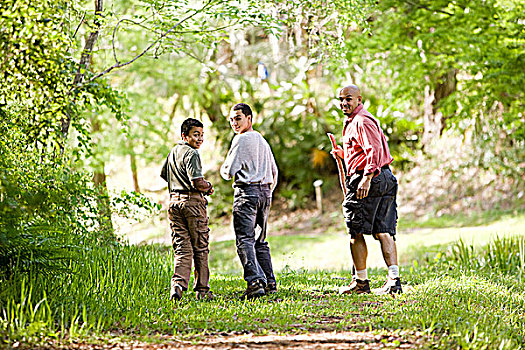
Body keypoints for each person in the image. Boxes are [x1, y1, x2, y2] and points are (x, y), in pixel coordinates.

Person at [331, 85, 403, 295]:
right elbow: (365, 152)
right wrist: (343, 155)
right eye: (341, 99)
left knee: (355, 230)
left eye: (349, 99)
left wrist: (367, 178)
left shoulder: (361, 120)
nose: (344, 103)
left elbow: (374, 150)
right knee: (383, 230)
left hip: (371, 179)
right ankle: (393, 280)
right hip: (383, 177)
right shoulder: (354, 121)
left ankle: (361, 282)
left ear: (359, 99)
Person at [220, 103, 278, 299]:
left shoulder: (241, 140)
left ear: (249, 119)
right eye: (231, 119)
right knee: (260, 240)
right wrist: (267, 192)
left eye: (238, 118)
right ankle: (269, 281)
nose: (234, 123)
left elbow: (228, 172)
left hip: (247, 192)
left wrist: (224, 169)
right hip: (265, 193)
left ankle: (254, 282)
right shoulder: (262, 140)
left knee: (245, 239)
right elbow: (274, 171)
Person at [160, 118, 214, 301]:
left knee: (182, 247)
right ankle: (202, 290)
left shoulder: (173, 152)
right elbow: (196, 181)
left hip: (174, 203)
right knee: (200, 246)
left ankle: (177, 285)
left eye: (202, 135)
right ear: (184, 135)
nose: (199, 139)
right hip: (192, 204)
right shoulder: (192, 154)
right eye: (195, 135)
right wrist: (208, 186)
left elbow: (164, 174)